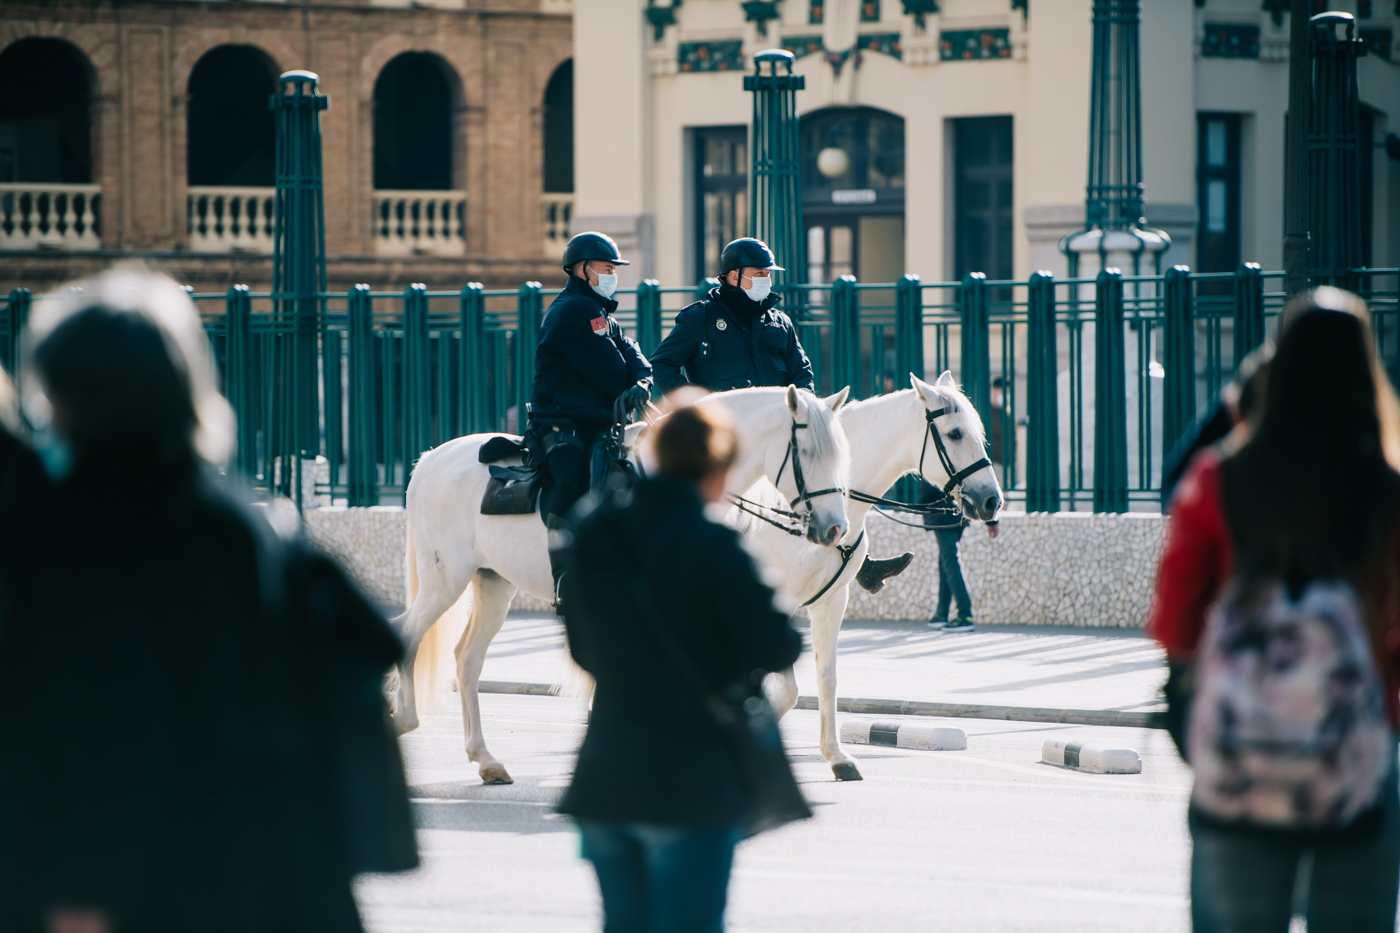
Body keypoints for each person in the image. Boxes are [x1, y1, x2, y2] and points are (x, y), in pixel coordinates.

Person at [0, 269, 416, 933]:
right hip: (281, 872)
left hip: (148, 884)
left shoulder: (77, 531)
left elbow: (106, 723)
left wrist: (82, 892)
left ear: (64, 397)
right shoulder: (248, 520)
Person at [1150, 287, 1400, 933]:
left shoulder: (1220, 480)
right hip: (1358, 756)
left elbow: (1176, 620)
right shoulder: (1388, 490)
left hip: (1242, 750)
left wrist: (1188, 698)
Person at [558, 398, 804, 933]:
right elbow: (780, 647)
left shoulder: (593, 531)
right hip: (692, 781)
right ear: (719, 472)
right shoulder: (714, 543)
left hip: (604, 778)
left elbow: (582, 652)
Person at [649, 237, 912, 595]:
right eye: (758, 274)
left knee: (821, 482)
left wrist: (803, 409)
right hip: (721, 443)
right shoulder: (700, 319)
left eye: (767, 274)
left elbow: (802, 376)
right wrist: (696, 411)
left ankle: (856, 559)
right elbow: (662, 364)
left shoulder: (779, 323)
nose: (765, 281)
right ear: (732, 276)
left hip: (774, 437)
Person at [530, 231, 653, 600]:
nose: (612, 274)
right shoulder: (574, 311)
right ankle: (564, 576)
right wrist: (632, 380)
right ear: (583, 270)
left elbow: (633, 354)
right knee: (569, 478)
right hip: (561, 419)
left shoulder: (599, 313)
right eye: (606, 268)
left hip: (594, 416)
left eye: (614, 268)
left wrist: (643, 380)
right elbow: (613, 372)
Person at [920, 479, 998, 633]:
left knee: (950, 560)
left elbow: (928, 486)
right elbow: (980, 484)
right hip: (959, 513)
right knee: (945, 560)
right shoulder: (959, 458)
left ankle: (965, 615)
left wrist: (923, 508)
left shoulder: (938, 457)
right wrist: (992, 520)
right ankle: (941, 614)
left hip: (942, 514)